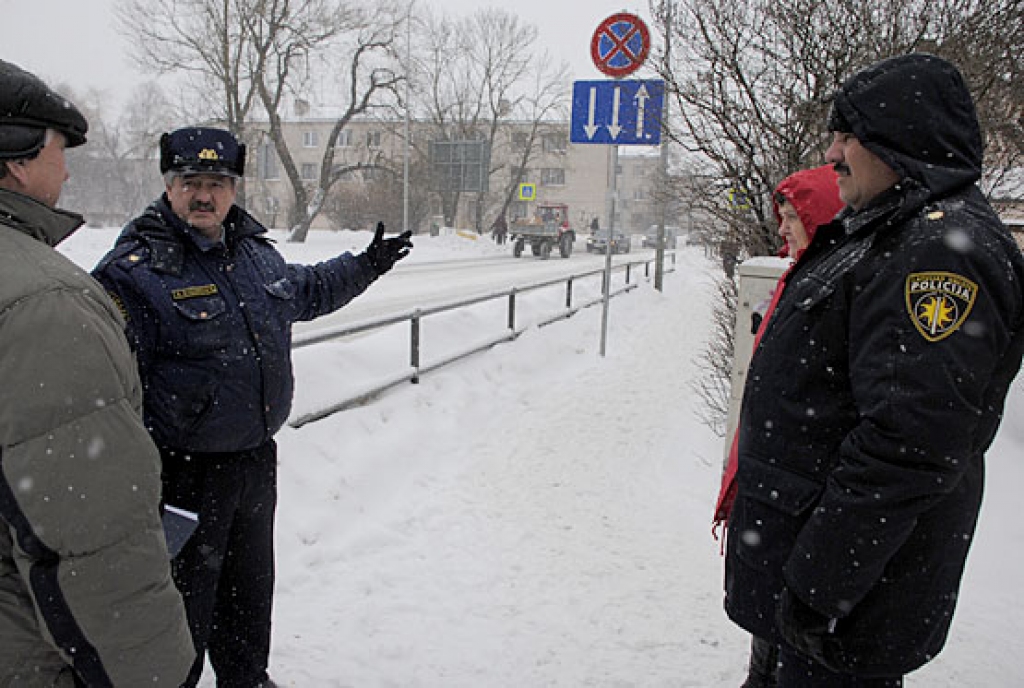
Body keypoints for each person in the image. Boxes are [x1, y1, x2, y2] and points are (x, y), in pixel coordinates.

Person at [723, 53, 1024, 686]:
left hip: (846, 601)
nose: (832, 152)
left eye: (848, 133)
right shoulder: (889, 232)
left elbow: (909, 444)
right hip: (818, 580)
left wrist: (816, 588)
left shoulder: (938, 250)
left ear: (901, 137)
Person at [92, 126, 413, 688]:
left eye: (217, 183)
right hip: (181, 477)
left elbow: (308, 289)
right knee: (180, 617)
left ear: (234, 190)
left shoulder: (253, 256)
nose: (204, 195)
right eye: (191, 181)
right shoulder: (134, 272)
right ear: (169, 187)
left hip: (252, 465)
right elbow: (106, 385)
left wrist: (367, 265)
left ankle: (247, 679)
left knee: (248, 595)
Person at [0, 60, 193, 686]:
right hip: (31, 650)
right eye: (61, 148)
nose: (70, 167)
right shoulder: (47, 301)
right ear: (17, 159)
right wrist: (156, 673)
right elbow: (89, 535)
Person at [712, 164, 844, 687]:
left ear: (823, 216)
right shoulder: (801, 276)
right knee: (771, 620)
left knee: (792, 629)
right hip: (777, 491)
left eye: (793, 217)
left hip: (800, 497)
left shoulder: (834, 284)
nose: (784, 229)